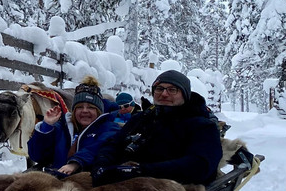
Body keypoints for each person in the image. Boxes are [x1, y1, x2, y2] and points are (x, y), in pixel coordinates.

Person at [92, 70, 223, 185]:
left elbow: (199, 165)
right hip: (124, 179)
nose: (164, 94)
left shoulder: (202, 126)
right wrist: (102, 163)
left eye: (172, 90)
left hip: (169, 188)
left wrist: (141, 171)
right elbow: (114, 143)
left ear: (185, 94)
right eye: (159, 89)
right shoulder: (143, 117)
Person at [27, 77, 122, 177]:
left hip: (89, 184)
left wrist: (76, 163)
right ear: (74, 111)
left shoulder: (109, 129)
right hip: (57, 181)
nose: (85, 110)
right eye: (80, 107)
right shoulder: (62, 128)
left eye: (91, 107)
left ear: (99, 111)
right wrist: (46, 126)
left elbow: (97, 147)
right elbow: (37, 155)